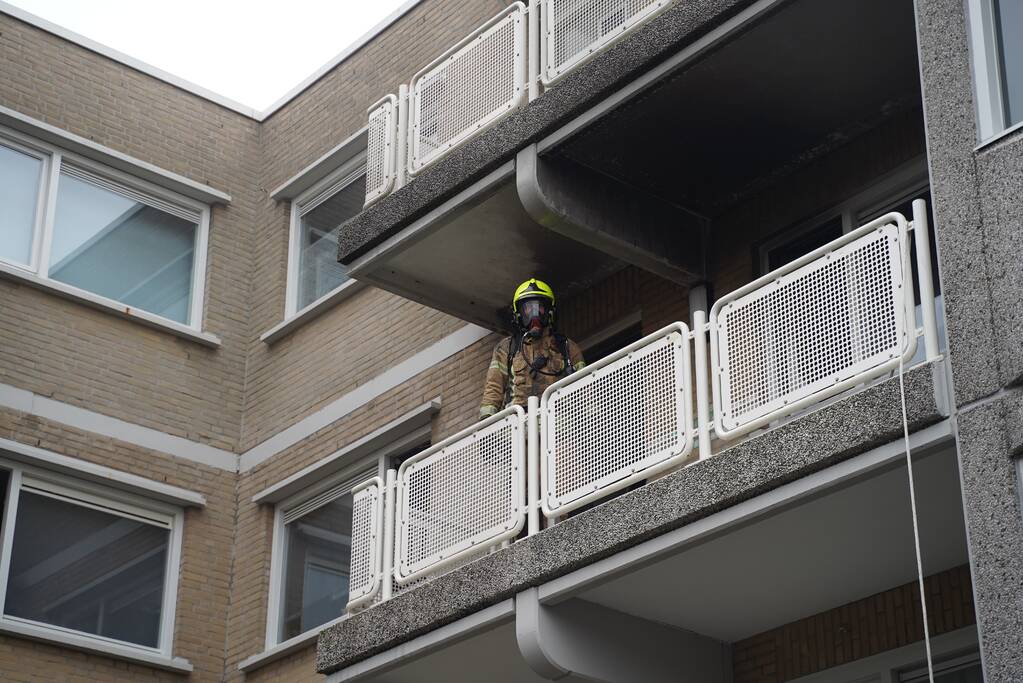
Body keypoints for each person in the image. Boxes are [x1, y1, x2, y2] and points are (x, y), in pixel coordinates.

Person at [479, 278, 585, 419]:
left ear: (549, 312)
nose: (534, 314)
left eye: (539, 308)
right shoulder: (507, 348)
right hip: (518, 425)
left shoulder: (566, 347)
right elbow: (493, 389)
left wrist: (591, 417)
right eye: (528, 309)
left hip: (557, 423)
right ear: (519, 315)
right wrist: (487, 424)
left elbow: (585, 387)